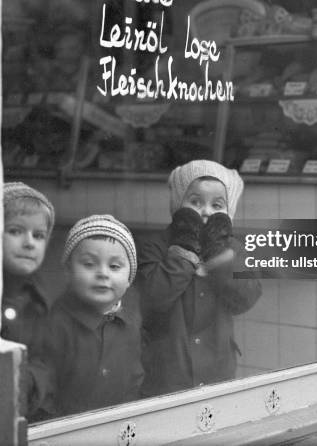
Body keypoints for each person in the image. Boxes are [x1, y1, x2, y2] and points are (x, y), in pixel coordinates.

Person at [137, 159, 262, 396]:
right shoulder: (156, 246)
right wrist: (183, 252)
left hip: (217, 373)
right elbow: (151, 300)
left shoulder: (235, 249)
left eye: (217, 205)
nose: (205, 211)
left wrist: (220, 255)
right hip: (167, 376)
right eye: (195, 202)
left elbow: (247, 297)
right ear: (177, 205)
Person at [39, 214, 143, 415]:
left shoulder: (132, 326)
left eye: (114, 266)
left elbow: (135, 382)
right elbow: (44, 396)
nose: (103, 273)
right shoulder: (54, 325)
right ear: (68, 271)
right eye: (89, 264)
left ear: (130, 277)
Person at [1, 181, 55, 419]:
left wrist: (33, 382)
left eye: (39, 235)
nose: (29, 242)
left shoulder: (40, 299)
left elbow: (45, 358)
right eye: (15, 231)